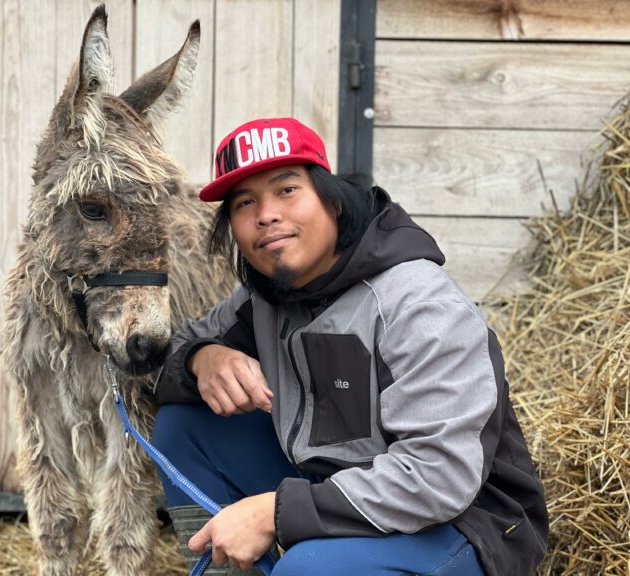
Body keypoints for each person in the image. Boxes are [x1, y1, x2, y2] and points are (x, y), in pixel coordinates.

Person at [152, 117, 548, 576]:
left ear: (334, 201)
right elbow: (163, 359)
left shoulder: (417, 302)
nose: (266, 214)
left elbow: (439, 476)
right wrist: (203, 358)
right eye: (245, 202)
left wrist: (274, 514)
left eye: (287, 190)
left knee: (309, 570)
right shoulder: (264, 299)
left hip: (461, 522)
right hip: (337, 488)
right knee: (184, 427)